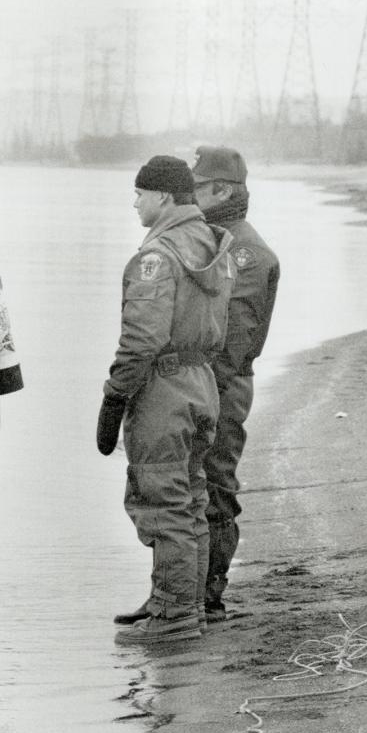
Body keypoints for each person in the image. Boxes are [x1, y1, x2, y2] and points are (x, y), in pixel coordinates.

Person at [97, 155, 235, 643]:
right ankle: (182, 605)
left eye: (139, 193)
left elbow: (141, 339)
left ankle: (174, 619)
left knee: (164, 504)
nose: (134, 201)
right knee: (192, 498)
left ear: (162, 196)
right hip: (202, 384)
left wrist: (115, 395)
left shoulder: (157, 256)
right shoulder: (211, 242)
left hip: (165, 389)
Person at [191, 146, 280, 620]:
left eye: (195, 189)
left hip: (221, 385)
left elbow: (231, 343)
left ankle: (209, 593)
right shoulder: (213, 240)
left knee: (215, 484)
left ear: (221, 190)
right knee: (188, 484)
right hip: (203, 381)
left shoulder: (245, 253)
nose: (187, 198)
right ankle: (185, 589)